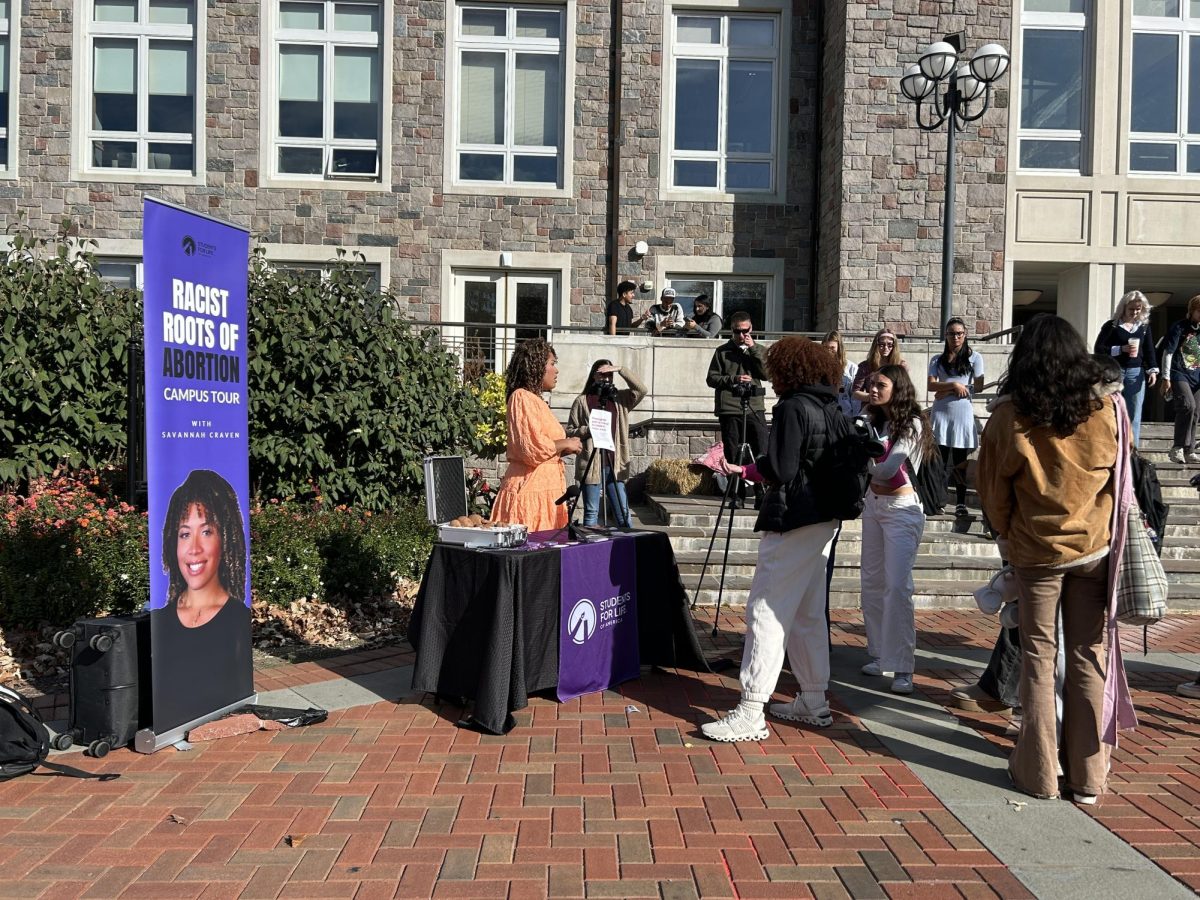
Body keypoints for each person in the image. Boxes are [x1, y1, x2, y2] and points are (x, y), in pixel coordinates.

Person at [977, 314, 1124, 804]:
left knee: (1039, 659)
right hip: (1094, 547)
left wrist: (1006, 532)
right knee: (1088, 657)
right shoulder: (1105, 409)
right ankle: (1089, 775)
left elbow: (993, 492)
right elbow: (1116, 477)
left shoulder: (1010, 414)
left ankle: (1039, 773)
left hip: (1037, 550)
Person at [700, 337, 844, 742]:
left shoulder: (794, 407)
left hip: (795, 516)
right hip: (824, 518)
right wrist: (750, 471)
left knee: (766, 609)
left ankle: (751, 709)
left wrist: (748, 468)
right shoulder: (829, 405)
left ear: (789, 370)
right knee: (807, 613)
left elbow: (781, 467)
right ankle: (814, 700)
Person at [858, 364, 932, 695]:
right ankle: (879, 654)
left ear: (896, 388)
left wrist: (860, 459)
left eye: (880, 385)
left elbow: (889, 469)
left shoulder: (912, 423)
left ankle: (903, 666)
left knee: (898, 587)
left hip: (902, 511)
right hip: (873, 507)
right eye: (871, 384)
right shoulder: (873, 420)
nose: (873, 389)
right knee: (871, 583)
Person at [488, 339, 582, 532]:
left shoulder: (535, 401)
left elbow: (543, 450)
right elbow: (530, 448)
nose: (556, 370)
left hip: (547, 492)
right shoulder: (521, 397)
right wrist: (565, 442)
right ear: (536, 366)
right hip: (530, 491)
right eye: (552, 364)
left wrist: (565, 448)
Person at [160, 469, 248, 629]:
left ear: (225, 539)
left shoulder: (238, 620)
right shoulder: (160, 623)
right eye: (185, 534)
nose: (194, 549)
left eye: (206, 532)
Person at [566, 359, 648, 527]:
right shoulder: (582, 401)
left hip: (614, 463)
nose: (606, 378)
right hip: (591, 462)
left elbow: (642, 389)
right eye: (602, 374)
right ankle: (591, 549)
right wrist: (587, 430)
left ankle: (627, 549)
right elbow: (569, 430)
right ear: (594, 376)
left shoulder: (621, 399)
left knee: (623, 513)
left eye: (609, 374)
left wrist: (620, 369)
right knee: (591, 512)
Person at [706, 311, 768, 508]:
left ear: (751, 329)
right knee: (733, 453)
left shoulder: (759, 349)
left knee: (761, 451)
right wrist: (733, 379)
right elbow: (712, 378)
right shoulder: (722, 351)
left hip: (754, 407)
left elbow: (767, 374)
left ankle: (761, 494)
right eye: (737, 331)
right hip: (730, 409)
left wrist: (753, 350)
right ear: (731, 330)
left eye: (745, 331)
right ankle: (737, 495)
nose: (742, 335)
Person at [928, 317, 985, 518]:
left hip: (962, 414)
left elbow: (977, 386)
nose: (956, 337)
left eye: (959, 333)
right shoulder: (937, 359)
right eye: (952, 333)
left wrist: (949, 390)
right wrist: (953, 386)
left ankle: (961, 502)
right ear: (946, 336)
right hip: (942, 414)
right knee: (940, 460)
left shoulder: (975, 357)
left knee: (961, 461)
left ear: (965, 334)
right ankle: (938, 500)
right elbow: (931, 386)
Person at [1094, 290, 1158, 446]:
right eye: (1131, 309)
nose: (1135, 312)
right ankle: (1111, 444)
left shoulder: (1143, 327)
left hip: (1136, 372)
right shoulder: (1112, 326)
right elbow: (1099, 349)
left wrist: (1153, 370)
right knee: (1111, 409)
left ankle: (1131, 449)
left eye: (1138, 309)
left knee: (1134, 412)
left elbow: (1149, 350)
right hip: (1114, 372)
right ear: (1123, 308)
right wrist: (1120, 349)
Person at [1159, 294, 1200, 463]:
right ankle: (1177, 447)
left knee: (1196, 411)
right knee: (1187, 406)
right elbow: (1168, 352)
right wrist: (1166, 377)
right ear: (1192, 311)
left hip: (1197, 375)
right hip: (1179, 372)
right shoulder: (1180, 327)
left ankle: (1189, 450)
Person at [852, 328, 907, 405]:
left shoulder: (900, 365)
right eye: (882, 345)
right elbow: (855, 392)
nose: (886, 348)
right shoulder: (865, 366)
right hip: (872, 407)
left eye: (890, 345)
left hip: (894, 406)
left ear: (894, 346)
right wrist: (873, 397)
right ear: (876, 345)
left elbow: (905, 390)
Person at [822, 330, 858, 417]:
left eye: (832, 348)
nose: (828, 351)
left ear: (839, 348)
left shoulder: (852, 368)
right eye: (826, 347)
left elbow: (855, 398)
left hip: (846, 415)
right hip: (825, 415)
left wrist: (856, 418)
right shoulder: (819, 367)